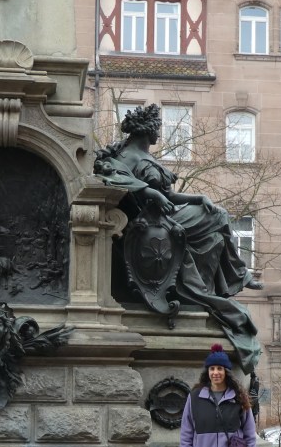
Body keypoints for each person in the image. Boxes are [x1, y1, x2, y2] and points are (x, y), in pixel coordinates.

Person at [95, 104, 262, 374]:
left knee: (217, 224)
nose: (159, 133)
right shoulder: (128, 156)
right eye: (157, 127)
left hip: (168, 215)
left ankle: (232, 279)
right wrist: (150, 193)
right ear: (147, 129)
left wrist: (198, 198)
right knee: (219, 218)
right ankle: (239, 276)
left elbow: (171, 196)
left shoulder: (145, 156)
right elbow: (111, 175)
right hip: (152, 223)